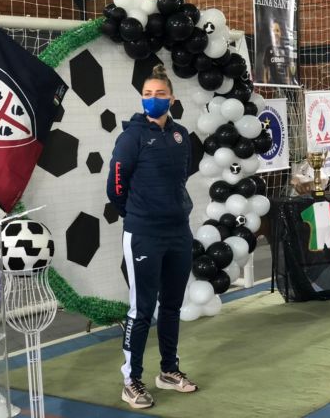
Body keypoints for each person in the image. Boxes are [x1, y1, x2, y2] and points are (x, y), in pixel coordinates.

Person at [106, 64, 197, 410]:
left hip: (178, 232)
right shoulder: (131, 137)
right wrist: (136, 214)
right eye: (147, 95)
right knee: (141, 309)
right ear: (141, 99)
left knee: (172, 305)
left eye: (160, 94)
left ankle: (169, 371)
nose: (154, 100)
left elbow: (180, 179)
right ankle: (131, 380)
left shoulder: (180, 135)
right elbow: (116, 185)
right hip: (143, 233)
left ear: (171, 98)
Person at [261, 19, 293, 85]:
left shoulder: (285, 50)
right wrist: (265, 84)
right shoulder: (268, 49)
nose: (275, 33)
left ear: (280, 32)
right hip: (272, 84)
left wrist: (288, 82)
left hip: (284, 84)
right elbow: (265, 69)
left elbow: (287, 68)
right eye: (273, 31)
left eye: (277, 30)